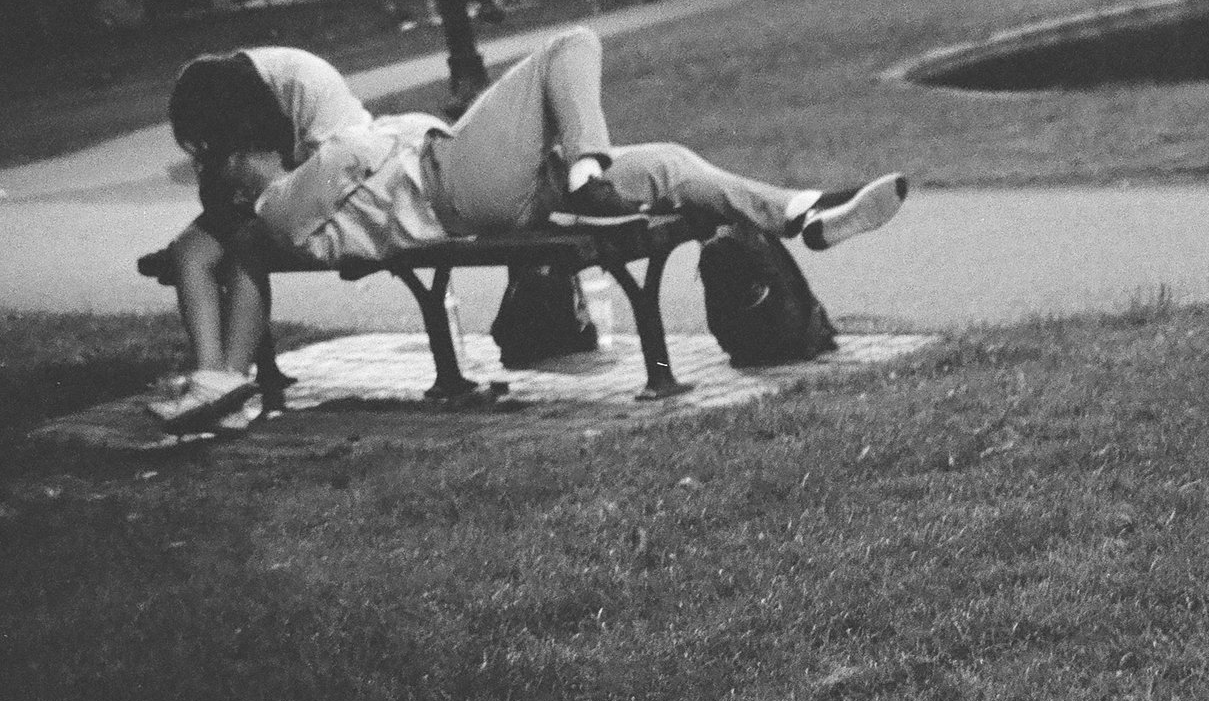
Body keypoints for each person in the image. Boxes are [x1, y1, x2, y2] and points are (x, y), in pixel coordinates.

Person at [165, 28, 906, 429]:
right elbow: (357, 149)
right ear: (242, 171)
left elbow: (342, 163)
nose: (260, 157)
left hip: (486, 185)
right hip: (453, 179)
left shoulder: (292, 195)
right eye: (247, 159)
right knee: (569, 46)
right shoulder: (285, 202)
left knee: (673, 168)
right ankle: (586, 161)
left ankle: (804, 214)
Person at [146, 48, 374, 426]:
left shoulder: (306, 82)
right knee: (191, 252)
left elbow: (343, 166)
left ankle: (231, 384)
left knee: (245, 246)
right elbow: (218, 191)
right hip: (269, 199)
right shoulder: (217, 96)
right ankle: (211, 378)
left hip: (341, 194)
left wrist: (262, 200)